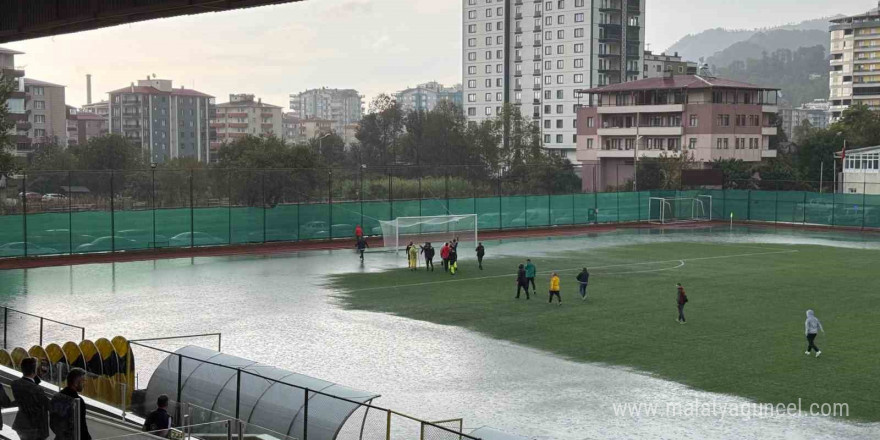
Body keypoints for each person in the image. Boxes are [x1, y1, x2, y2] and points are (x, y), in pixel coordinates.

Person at [11, 357, 50, 440]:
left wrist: (36, 375)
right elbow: (48, 405)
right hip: (35, 429)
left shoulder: (15, 384)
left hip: (21, 424)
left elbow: (28, 385)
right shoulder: (37, 390)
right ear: (34, 371)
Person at [50, 368, 91, 440]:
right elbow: (82, 428)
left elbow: (52, 422)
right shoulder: (77, 401)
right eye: (83, 381)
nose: (85, 384)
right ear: (75, 383)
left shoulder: (56, 397)